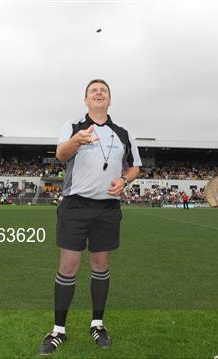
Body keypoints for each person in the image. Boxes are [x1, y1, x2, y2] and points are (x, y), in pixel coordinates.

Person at [38, 79, 142, 355]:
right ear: (86, 100)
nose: (99, 93)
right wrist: (76, 140)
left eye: (103, 90)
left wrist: (123, 179)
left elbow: (134, 167)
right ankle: (58, 329)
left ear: (110, 100)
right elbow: (60, 155)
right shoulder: (73, 126)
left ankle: (97, 323)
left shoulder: (122, 132)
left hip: (107, 208)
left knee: (100, 264)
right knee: (69, 266)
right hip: (75, 206)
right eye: (93, 90)